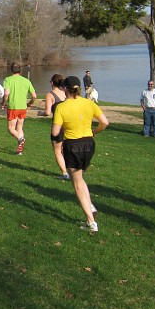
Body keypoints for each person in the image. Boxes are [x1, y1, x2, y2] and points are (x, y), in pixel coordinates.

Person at [51, 76, 109, 233]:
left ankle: (91, 222)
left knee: (76, 183)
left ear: (65, 89)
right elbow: (105, 122)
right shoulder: (89, 103)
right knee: (79, 177)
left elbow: (55, 132)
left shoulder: (62, 107)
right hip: (89, 144)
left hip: (73, 145)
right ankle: (90, 205)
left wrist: (62, 131)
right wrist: (94, 132)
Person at [1, 62, 36, 154]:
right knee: (19, 127)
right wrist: (30, 103)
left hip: (13, 107)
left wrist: (3, 103)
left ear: (11, 70)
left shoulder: (8, 80)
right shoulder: (26, 81)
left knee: (11, 128)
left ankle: (21, 139)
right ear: (20, 70)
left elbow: (6, 94)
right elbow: (34, 95)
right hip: (23, 107)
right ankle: (20, 150)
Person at [41, 74, 69, 180]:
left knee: (57, 150)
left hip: (57, 126)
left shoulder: (50, 95)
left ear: (52, 83)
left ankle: (65, 173)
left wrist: (40, 113)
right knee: (66, 149)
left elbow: (47, 112)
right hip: (68, 125)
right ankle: (72, 170)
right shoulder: (66, 93)